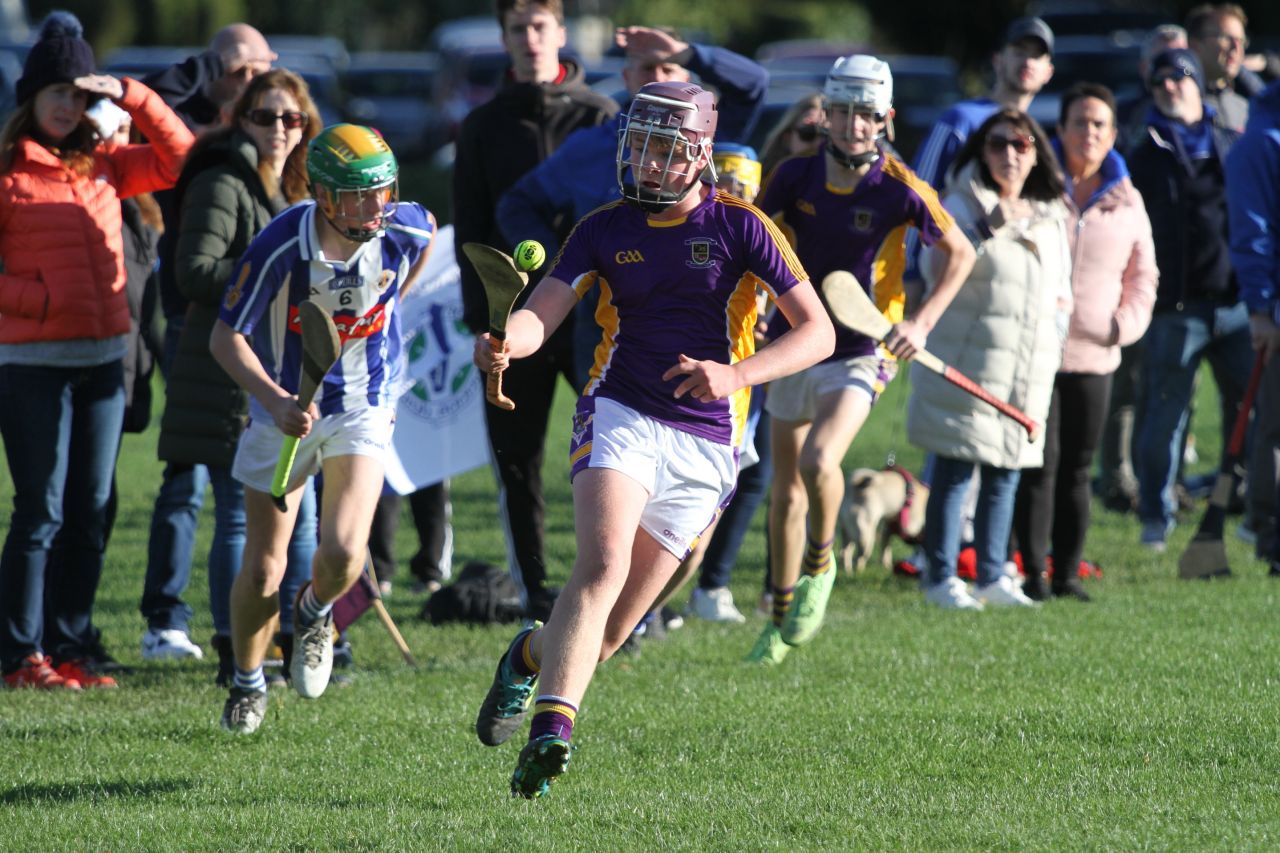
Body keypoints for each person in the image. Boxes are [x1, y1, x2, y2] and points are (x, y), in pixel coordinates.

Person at [471, 81, 834, 798]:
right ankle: (552, 731)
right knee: (600, 565)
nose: (646, 164)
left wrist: (735, 374)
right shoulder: (602, 228)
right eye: (637, 147)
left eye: (663, 151)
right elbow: (542, 313)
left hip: (707, 443)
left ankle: (526, 657)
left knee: (603, 636)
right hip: (620, 408)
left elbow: (818, 331)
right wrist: (505, 345)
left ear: (700, 155)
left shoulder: (744, 226)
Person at [745, 55, 975, 663]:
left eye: (865, 114)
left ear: (885, 119)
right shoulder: (795, 176)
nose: (853, 125)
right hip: (794, 342)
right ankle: (777, 615)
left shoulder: (900, 186)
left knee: (823, 460)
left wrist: (919, 324)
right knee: (785, 492)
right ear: (827, 113)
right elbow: (756, 242)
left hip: (860, 349)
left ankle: (822, 564)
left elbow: (961, 253)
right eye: (843, 111)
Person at [211, 124, 436, 733]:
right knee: (264, 566)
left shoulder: (404, 227)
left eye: (381, 192)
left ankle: (315, 614)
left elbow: (425, 237)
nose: (373, 208)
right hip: (282, 411)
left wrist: (387, 308)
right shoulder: (282, 243)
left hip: (363, 404)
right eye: (357, 196)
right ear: (323, 195)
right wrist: (276, 398)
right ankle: (248, 680)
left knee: (341, 550)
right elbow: (225, 337)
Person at [0, 12, 194, 689]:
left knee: (89, 508)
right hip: (30, 368)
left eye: (78, 94)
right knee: (40, 511)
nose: (67, 105)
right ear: (31, 98)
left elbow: (181, 158)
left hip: (103, 364)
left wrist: (133, 95)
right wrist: (39, 300)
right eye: (56, 92)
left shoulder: (106, 162)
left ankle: (72, 643)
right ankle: (21, 653)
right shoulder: (7, 171)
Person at [151, 69, 322, 685]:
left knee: (298, 515)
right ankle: (234, 647)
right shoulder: (224, 180)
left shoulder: (299, 187)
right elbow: (193, 271)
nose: (280, 128)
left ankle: (290, 644)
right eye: (266, 116)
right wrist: (270, 272)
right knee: (240, 519)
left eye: (292, 118)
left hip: (288, 372)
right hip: (229, 370)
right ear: (240, 121)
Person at [452, 0, 618, 622]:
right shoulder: (482, 126)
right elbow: (468, 225)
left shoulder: (599, 117)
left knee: (614, 452)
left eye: (539, 26)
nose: (529, 38)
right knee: (518, 462)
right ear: (504, 37)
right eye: (517, 29)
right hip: (512, 319)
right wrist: (485, 321)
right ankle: (537, 595)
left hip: (594, 318)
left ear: (561, 33)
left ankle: (613, 592)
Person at [497, 24, 769, 391]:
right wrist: (555, 262)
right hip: (604, 327)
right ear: (626, 77)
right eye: (647, 68)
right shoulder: (590, 147)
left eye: (669, 68)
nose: (658, 77)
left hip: (700, 331)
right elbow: (517, 204)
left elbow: (754, 83)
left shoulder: (705, 131)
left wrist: (688, 51)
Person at [137, 23, 279, 662]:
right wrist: (271, 275)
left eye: (263, 72)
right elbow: (195, 267)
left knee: (238, 489)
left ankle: (258, 632)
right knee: (195, 479)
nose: (254, 88)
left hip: (259, 340)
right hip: (194, 326)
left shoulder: (278, 163)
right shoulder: (210, 144)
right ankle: (171, 618)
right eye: (241, 73)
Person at [910, 109, 1071, 610]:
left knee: (1006, 471)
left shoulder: (1051, 213)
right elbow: (930, 264)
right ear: (982, 150)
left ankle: (993, 574)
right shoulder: (958, 204)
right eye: (998, 143)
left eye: (1021, 144)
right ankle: (940, 576)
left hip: (1027, 366)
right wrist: (983, 227)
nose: (1010, 154)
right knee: (956, 470)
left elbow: (1060, 292)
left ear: (1036, 152)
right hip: (967, 361)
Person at [1012, 84, 1157, 602]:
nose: (1088, 133)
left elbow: (1144, 276)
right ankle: (1030, 574)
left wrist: (1121, 327)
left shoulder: (1127, 200)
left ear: (1113, 134)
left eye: (1099, 124)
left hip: (1095, 356)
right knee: (1038, 464)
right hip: (1033, 353)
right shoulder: (1034, 189)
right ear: (1062, 129)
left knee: (1077, 466)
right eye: (1079, 122)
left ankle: (1067, 574)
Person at [1128, 48, 1252, 552]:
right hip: (1175, 308)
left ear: (1199, 84)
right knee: (1164, 419)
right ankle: (1156, 516)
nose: (1169, 86)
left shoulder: (1232, 142)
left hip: (1237, 304)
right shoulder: (1144, 149)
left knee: (1251, 415)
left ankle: (1243, 506)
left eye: (1179, 77)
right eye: (1160, 80)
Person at [1225, 77, 1280, 568]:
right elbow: (1252, 230)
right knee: (1277, 428)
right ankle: (1271, 532)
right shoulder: (1261, 142)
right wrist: (1261, 307)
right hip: (1277, 310)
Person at [912, 16, 1055, 193]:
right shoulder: (959, 120)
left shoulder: (1036, 134)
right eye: (1019, 51)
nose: (1027, 62)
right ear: (998, 60)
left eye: (1037, 55)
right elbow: (918, 194)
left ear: (1049, 72)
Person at [1185, 4, 1253, 132]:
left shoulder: (1245, 108)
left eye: (1241, 41)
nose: (1236, 48)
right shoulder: (1173, 103)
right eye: (1226, 38)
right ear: (1195, 44)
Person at [758, 93, 825, 178]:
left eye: (826, 135)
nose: (818, 143)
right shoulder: (764, 182)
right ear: (787, 138)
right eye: (808, 132)